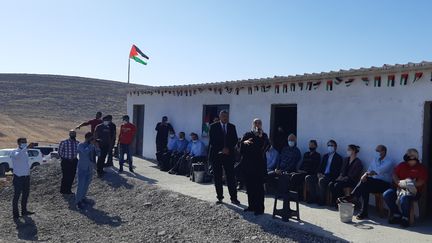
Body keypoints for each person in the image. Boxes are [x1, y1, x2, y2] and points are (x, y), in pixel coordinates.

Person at [340, 145, 393, 219]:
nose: (376, 153)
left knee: (366, 181)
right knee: (365, 186)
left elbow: (377, 171)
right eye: (376, 151)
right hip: (373, 183)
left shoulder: (389, 162)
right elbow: (369, 170)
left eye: (378, 151)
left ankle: (352, 196)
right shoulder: (375, 159)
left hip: (384, 184)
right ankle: (363, 212)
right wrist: (365, 174)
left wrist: (366, 175)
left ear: (383, 151)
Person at [383, 149, 428, 227]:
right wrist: (398, 182)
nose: (409, 161)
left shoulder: (421, 168)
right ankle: (396, 214)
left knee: (405, 198)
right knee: (387, 194)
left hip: (413, 191)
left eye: (412, 158)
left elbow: (421, 182)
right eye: (408, 158)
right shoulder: (402, 165)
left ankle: (405, 217)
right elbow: (394, 174)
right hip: (399, 188)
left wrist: (409, 184)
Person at [208, 110, 240, 205]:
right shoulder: (213, 126)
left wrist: (228, 149)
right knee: (217, 177)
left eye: (226, 116)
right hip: (216, 154)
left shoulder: (232, 127)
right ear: (220, 117)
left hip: (229, 155)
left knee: (230, 177)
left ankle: (234, 198)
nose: (225, 118)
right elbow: (212, 141)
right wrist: (222, 149)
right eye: (223, 116)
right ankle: (220, 197)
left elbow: (234, 140)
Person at [240, 118, 270, 215]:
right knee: (250, 186)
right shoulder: (248, 134)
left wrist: (260, 137)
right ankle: (251, 206)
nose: (257, 124)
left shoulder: (264, 135)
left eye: (259, 123)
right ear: (252, 124)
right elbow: (240, 146)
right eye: (255, 123)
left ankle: (260, 208)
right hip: (249, 164)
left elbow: (267, 146)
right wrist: (244, 143)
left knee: (259, 188)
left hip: (259, 165)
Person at [305, 139, 343, 205]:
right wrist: (319, 173)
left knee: (321, 180)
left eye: (331, 145)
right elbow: (321, 167)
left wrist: (325, 176)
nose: (330, 147)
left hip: (330, 176)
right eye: (328, 145)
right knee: (308, 177)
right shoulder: (325, 156)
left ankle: (322, 200)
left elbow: (337, 171)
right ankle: (313, 197)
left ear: (335, 147)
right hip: (322, 175)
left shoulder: (338, 157)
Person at [10, 138, 36, 219]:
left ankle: (24, 211)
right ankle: (15, 214)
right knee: (17, 196)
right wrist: (26, 148)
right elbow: (17, 156)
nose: (24, 143)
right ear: (18, 143)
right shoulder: (14, 151)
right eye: (23, 142)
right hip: (18, 177)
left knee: (25, 195)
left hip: (26, 177)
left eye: (25, 142)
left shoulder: (25, 152)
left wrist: (26, 149)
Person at [76, 132, 100, 209]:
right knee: (81, 185)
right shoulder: (81, 145)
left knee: (86, 185)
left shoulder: (92, 146)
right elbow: (85, 152)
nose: (93, 140)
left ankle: (83, 198)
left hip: (90, 168)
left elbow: (99, 154)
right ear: (87, 138)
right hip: (82, 168)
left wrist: (97, 147)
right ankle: (78, 202)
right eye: (91, 138)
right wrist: (91, 145)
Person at [58, 130, 80, 194]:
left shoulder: (78, 143)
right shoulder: (64, 142)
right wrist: (65, 158)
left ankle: (68, 190)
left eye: (74, 133)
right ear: (69, 134)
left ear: (75, 135)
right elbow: (59, 152)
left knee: (72, 175)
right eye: (71, 133)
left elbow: (79, 152)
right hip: (66, 161)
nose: (73, 135)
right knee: (66, 176)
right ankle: (63, 190)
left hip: (74, 161)